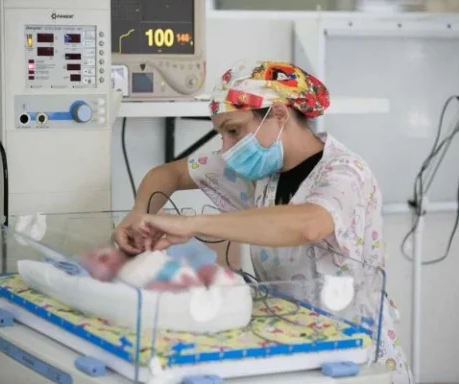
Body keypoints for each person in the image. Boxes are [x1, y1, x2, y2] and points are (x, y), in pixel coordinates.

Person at [113, 60, 413, 383]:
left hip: (356, 353)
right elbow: (167, 174)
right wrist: (138, 213)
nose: (226, 149)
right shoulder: (261, 171)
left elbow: (307, 223)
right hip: (293, 343)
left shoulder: (345, 172)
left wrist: (194, 224)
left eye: (233, 130)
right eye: (221, 134)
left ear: (279, 115)